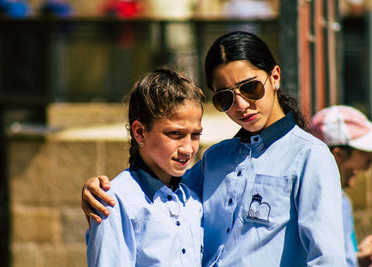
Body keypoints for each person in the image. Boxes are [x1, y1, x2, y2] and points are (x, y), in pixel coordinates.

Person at [82, 31, 346, 266]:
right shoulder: (215, 158)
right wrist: (101, 195)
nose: (241, 105)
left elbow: (328, 259)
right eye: (225, 97)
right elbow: (161, 200)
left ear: (274, 77)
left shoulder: (310, 156)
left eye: (251, 88)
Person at [86, 68, 205, 266]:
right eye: (175, 134)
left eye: (195, 135)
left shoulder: (194, 194)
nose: (187, 148)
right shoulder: (115, 202)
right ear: (140, 132)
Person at [310, 105, 372, 267]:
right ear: (338, 155)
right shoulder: (334, 203)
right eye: (365, 154)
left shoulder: (337, 200)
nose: (368, 164)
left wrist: (356, 258)